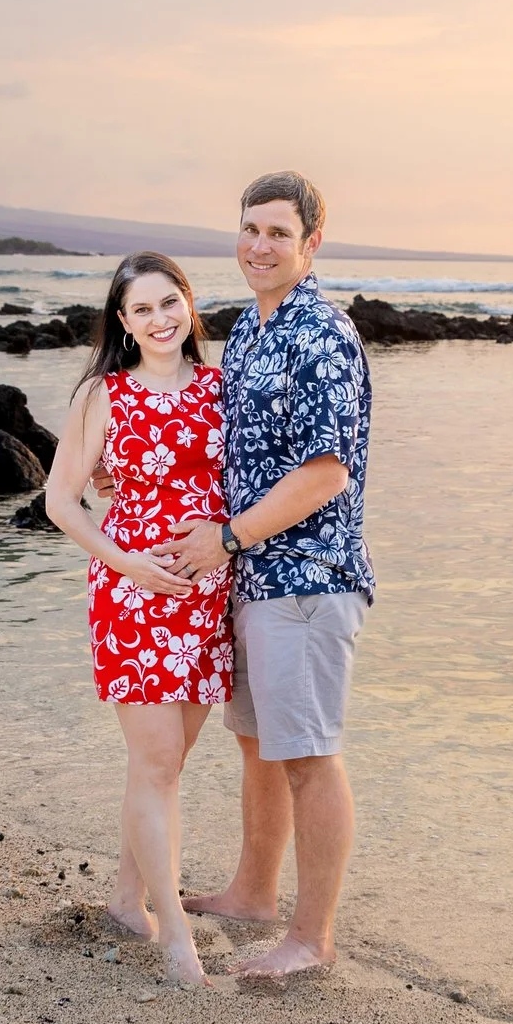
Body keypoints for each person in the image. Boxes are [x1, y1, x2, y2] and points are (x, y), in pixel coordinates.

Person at [157, 171, 374, 980]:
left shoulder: (321, 334)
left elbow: (326, 473)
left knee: (309, 753)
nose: (259, 244)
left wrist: (228, 536)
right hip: (253, 577)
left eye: (279, 232)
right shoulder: (250, 328)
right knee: (257, 743)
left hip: (306, 579)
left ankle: (312, 938)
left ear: (312, 243)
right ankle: (253, 893)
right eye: (250, 227)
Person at [42, 251, 232, 985]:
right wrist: (128, 563)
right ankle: (175, 936)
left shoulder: (220, 388)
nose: (159, 319)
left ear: (189, 303)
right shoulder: (105, 395)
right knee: (156, 766)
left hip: (207, 599)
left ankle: (127, 898)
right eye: (142, 309)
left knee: (165, 765)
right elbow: (62, 502)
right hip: (133, 597)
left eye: (169, 302)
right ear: (122, 322)